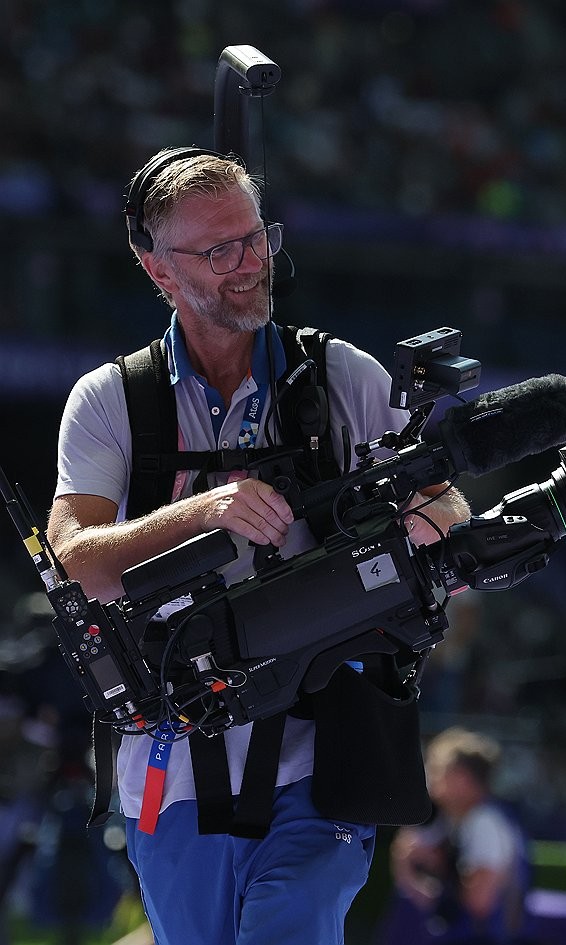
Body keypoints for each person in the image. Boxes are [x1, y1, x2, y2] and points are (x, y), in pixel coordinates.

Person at [45, 148, 470, 945]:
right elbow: (76, 562)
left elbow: (444, 506)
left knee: (289, 926)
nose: (250, 264)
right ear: (157, 269)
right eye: (218, 250)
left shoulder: (342, 373)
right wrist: (206, 510)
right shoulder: (111, 400)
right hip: (171, 770)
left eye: (256, 236)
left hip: (327, 753)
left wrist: (410, 531)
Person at [388, 727, 528, 944]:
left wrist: (439, 865)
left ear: (461, 778)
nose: (430, 775)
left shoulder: (484, 823)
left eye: (437, 768)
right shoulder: (460, 821)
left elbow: (480, 901)